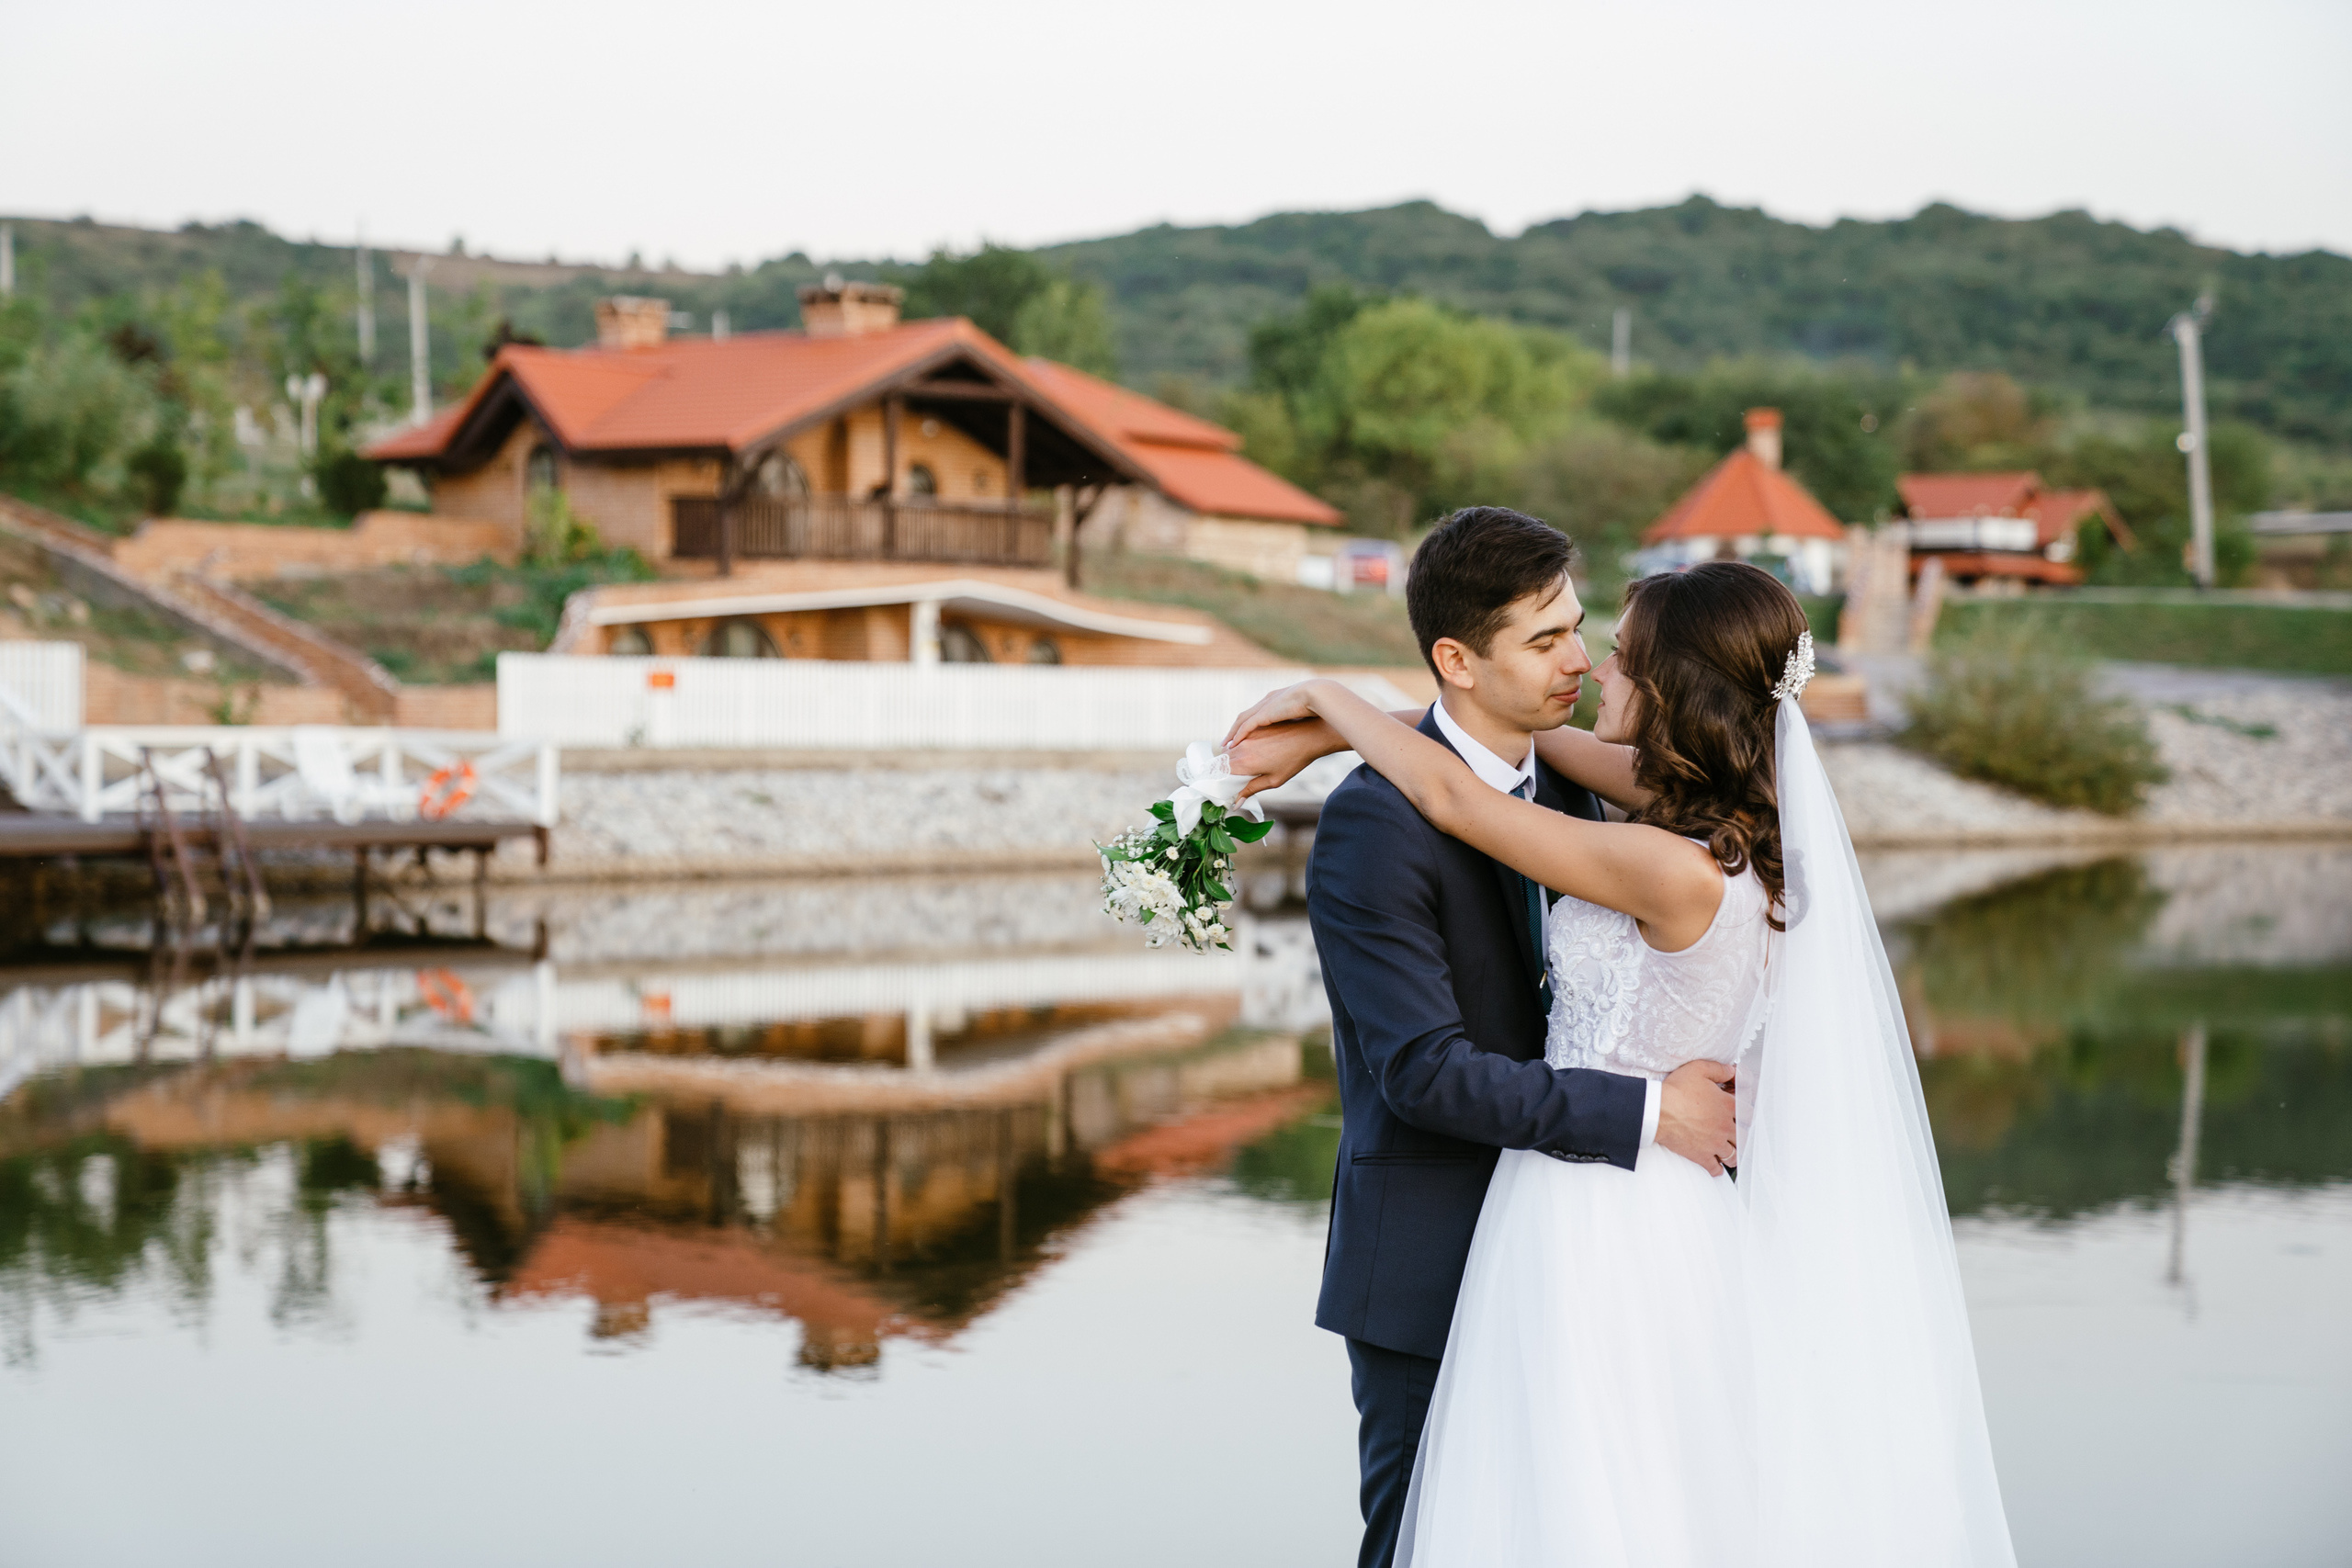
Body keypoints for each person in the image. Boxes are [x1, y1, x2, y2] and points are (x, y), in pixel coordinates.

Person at [1226, 531, 2014, 1567]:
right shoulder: (1697, 813)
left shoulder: (1653, 845)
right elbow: (1420, 1063)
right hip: (1455, 1249)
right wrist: (1358, 737)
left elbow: (1463, 794)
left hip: (1610, 1227)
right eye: (1552, 638)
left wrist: (1331, 702)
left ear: (1669, 696)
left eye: (1600, 647)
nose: (1587, 664)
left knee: (1613, 1511)